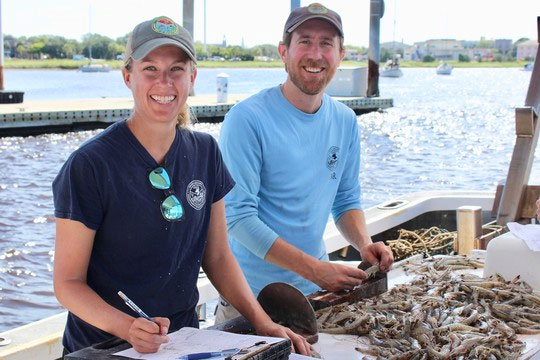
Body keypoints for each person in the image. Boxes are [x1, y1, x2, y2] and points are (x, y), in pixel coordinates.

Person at [52, 16, 310, 356]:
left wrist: (262, 322)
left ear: (192, 78)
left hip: (183, 342)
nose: (164, 82)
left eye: (176, 69)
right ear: (128, 76)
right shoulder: (90, 165)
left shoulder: (205, 152)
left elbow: (217, 256)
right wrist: (127, 327)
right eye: (150, 69)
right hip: (102, 346)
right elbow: (67, 284)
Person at [217, 3, 394, 322]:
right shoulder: (246, 119)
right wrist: (315, 269)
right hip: (250, 300)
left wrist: (364, 244)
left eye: (327, 44)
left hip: (315, 297)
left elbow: (345, 199)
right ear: (283, 52)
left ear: (341, 55)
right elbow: (238, 218)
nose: (315, 54)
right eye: (305, 41)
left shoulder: (345, 120)